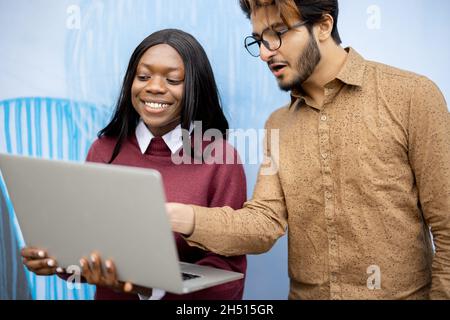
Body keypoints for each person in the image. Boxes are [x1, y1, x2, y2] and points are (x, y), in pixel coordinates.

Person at [167, 0, 450, 300]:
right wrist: (179, 216)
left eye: (277, 34)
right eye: (259, 40)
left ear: (324, 26)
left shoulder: (411, 96)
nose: (264, 53)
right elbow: (264, 222)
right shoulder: (277, 124)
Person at [20, 29, 247, 300]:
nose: (154, 87)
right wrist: (56, 261)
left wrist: (150, 289)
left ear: (195, 87)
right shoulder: (103, 150)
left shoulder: (221, 159)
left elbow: (228, 276)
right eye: (143, 77)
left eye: (173, 79)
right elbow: (87, 248)